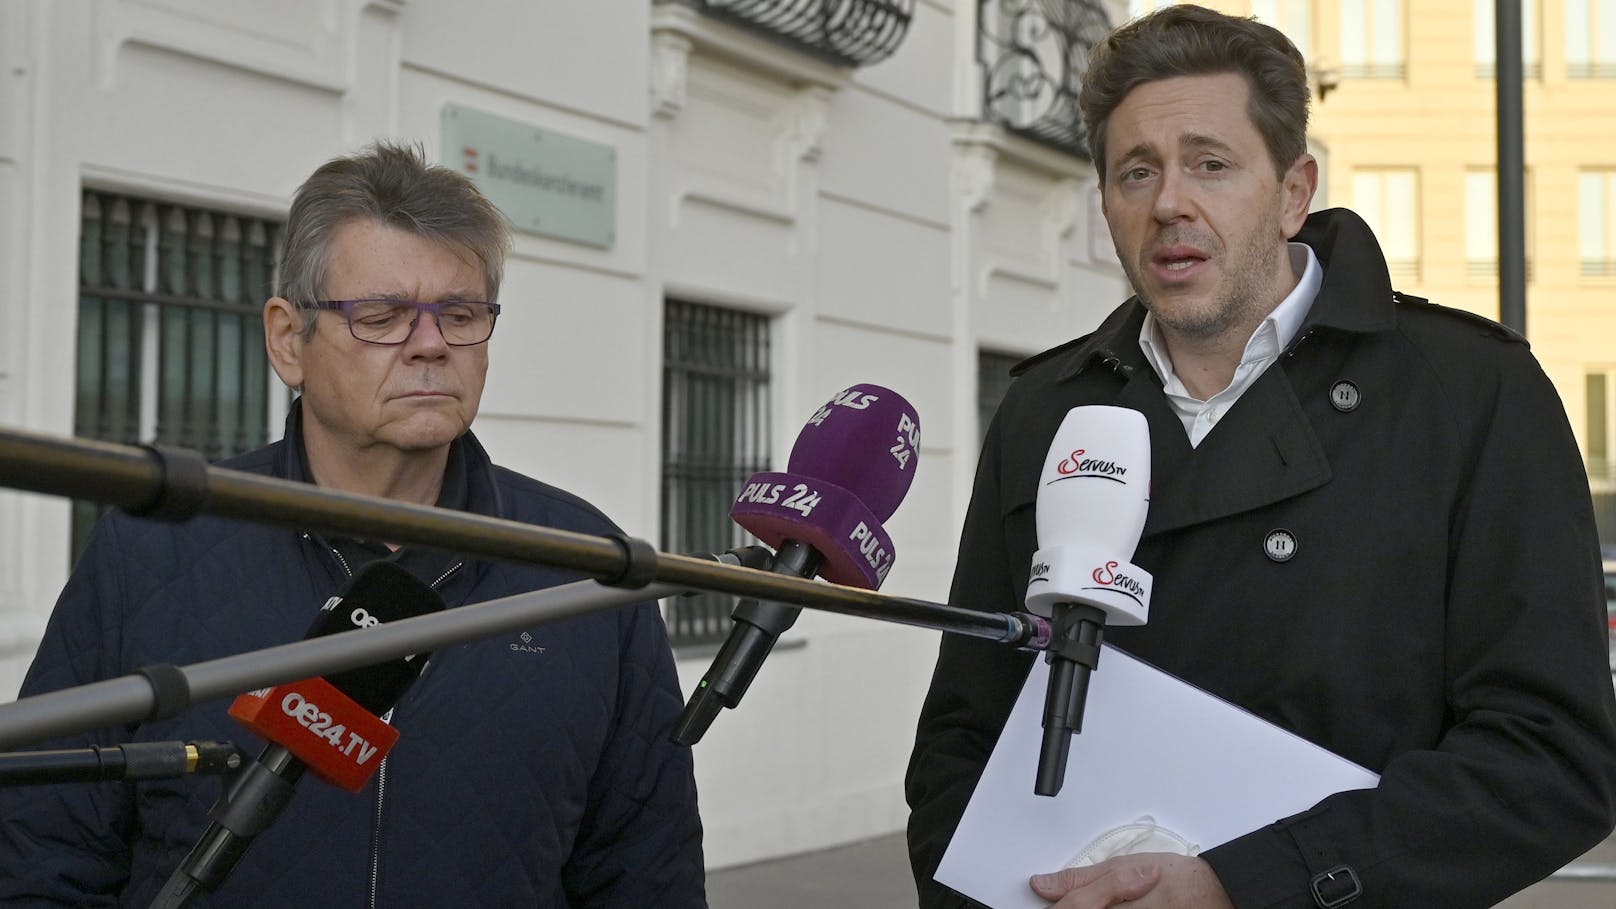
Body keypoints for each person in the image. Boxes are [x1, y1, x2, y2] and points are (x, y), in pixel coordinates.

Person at [905, 5, 1616, 908]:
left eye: (1210, 162)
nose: (1169, 201)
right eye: (1137, 171)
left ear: (1292, 191)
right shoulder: (1047, 409)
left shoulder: (1472, 393)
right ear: (1108, 204)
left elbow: (1551, 755)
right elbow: (963, 736)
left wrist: (1243, 887)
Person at [0, 142, 706, 907]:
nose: (432, 344)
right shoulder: (154, 548)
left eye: (461, 314)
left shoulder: (585, 570)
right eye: (384, 315)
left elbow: (647, 872)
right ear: (286, 340)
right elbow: (45, 854)